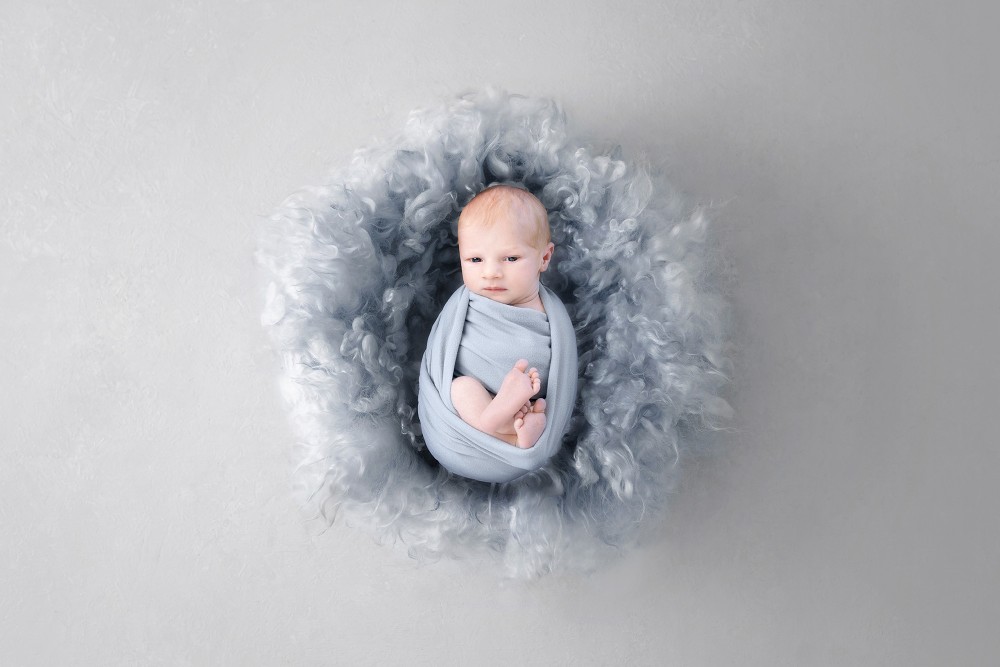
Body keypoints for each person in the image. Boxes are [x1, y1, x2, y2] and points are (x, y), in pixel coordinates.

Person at [449, 184, 558, 449]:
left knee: (460, 388)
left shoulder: (546, 307)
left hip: (527, 376)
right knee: (461, 389)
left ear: (544, 258)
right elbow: (442, 346)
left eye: (510, 258)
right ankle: (512, 431)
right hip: (504, 393)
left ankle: (493, 419)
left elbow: (560, 350)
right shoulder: (465, 301)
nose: (491, 272)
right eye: (475, 260)